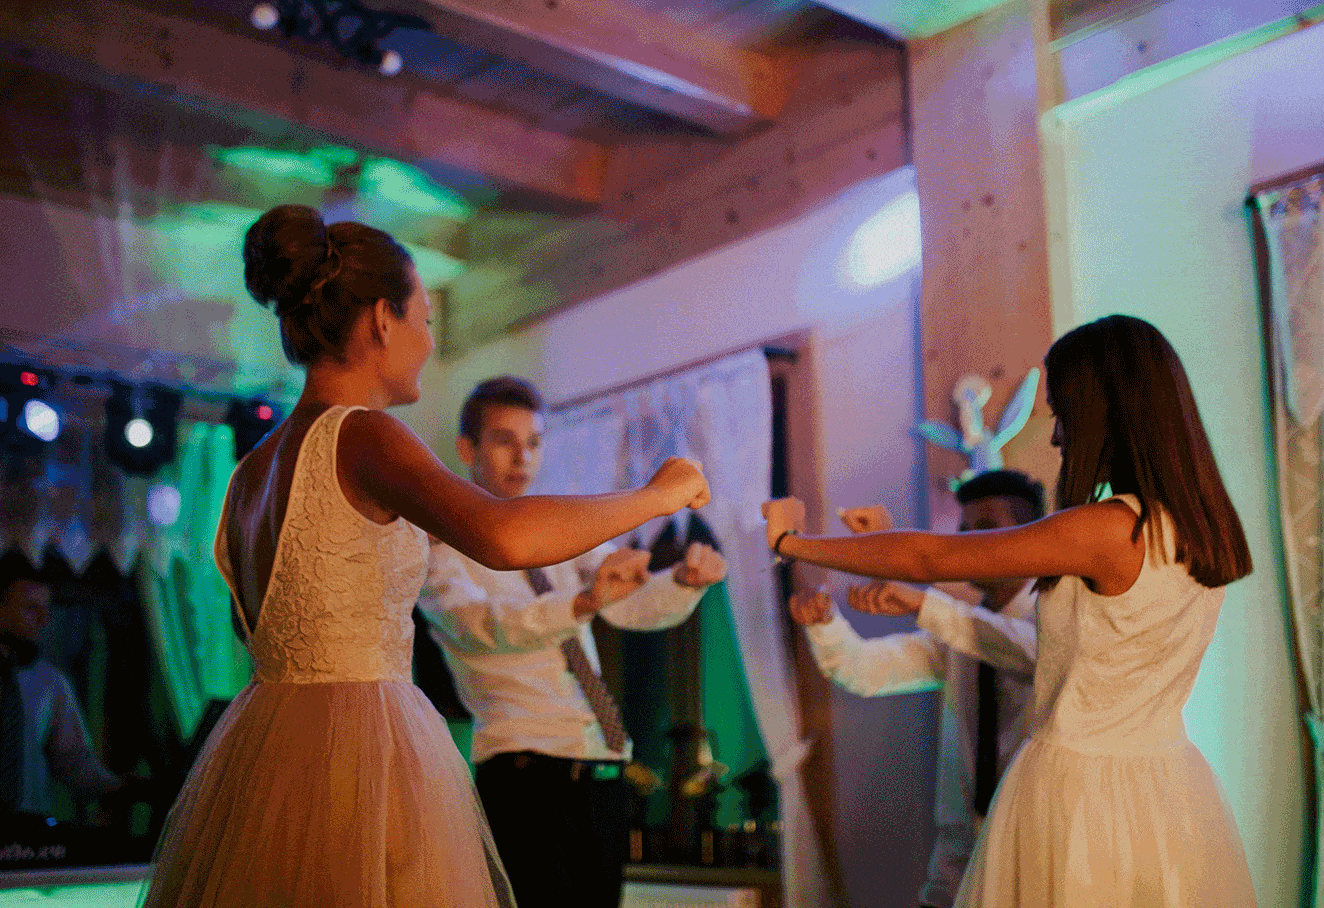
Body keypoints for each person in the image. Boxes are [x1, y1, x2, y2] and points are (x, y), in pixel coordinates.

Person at [139, 205, 710, 908]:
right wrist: (657, 495)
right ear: (384, 319)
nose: (429, 343)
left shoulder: (250, 473)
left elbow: (252, 623)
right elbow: (503, 537)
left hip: (270, 755)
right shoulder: (364, 435)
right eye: (426, 320)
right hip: (361, 750)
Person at [763, 314, 1257, 907]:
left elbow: (927, 557)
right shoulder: (1202, 533)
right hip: (1165, 785)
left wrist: (792, 542)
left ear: (1106, 413)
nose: (1058, 438)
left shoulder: (1109, 529)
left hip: (1080, 789)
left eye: (1064, 416)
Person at [416, 376, 728, 908]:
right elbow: (484, 627)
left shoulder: (555, 531)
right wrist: (583, 602)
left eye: (534, 442)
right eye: (504, 440)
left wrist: (683, 583)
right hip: (524, 777)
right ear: (467, 449)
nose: (522, 457)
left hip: (602, 771)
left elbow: (627, 603)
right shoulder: (442, 547)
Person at [789, 470, 1044, 908]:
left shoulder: (1051, 621)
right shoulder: (960, 629)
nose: (967, 544)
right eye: (963, 531)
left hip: (1031, 859)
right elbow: (866, 671)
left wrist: (924, 601)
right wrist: (825, 625)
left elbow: (1019, 647)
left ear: (1029, 537)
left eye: (985, 529)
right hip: (956, 863)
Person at [0, 560, 125, 819]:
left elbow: (72, 760)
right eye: (30, 608)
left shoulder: (50, 682)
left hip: (29, 828)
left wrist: (121, 788)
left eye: (46, 609)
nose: (44, 620)